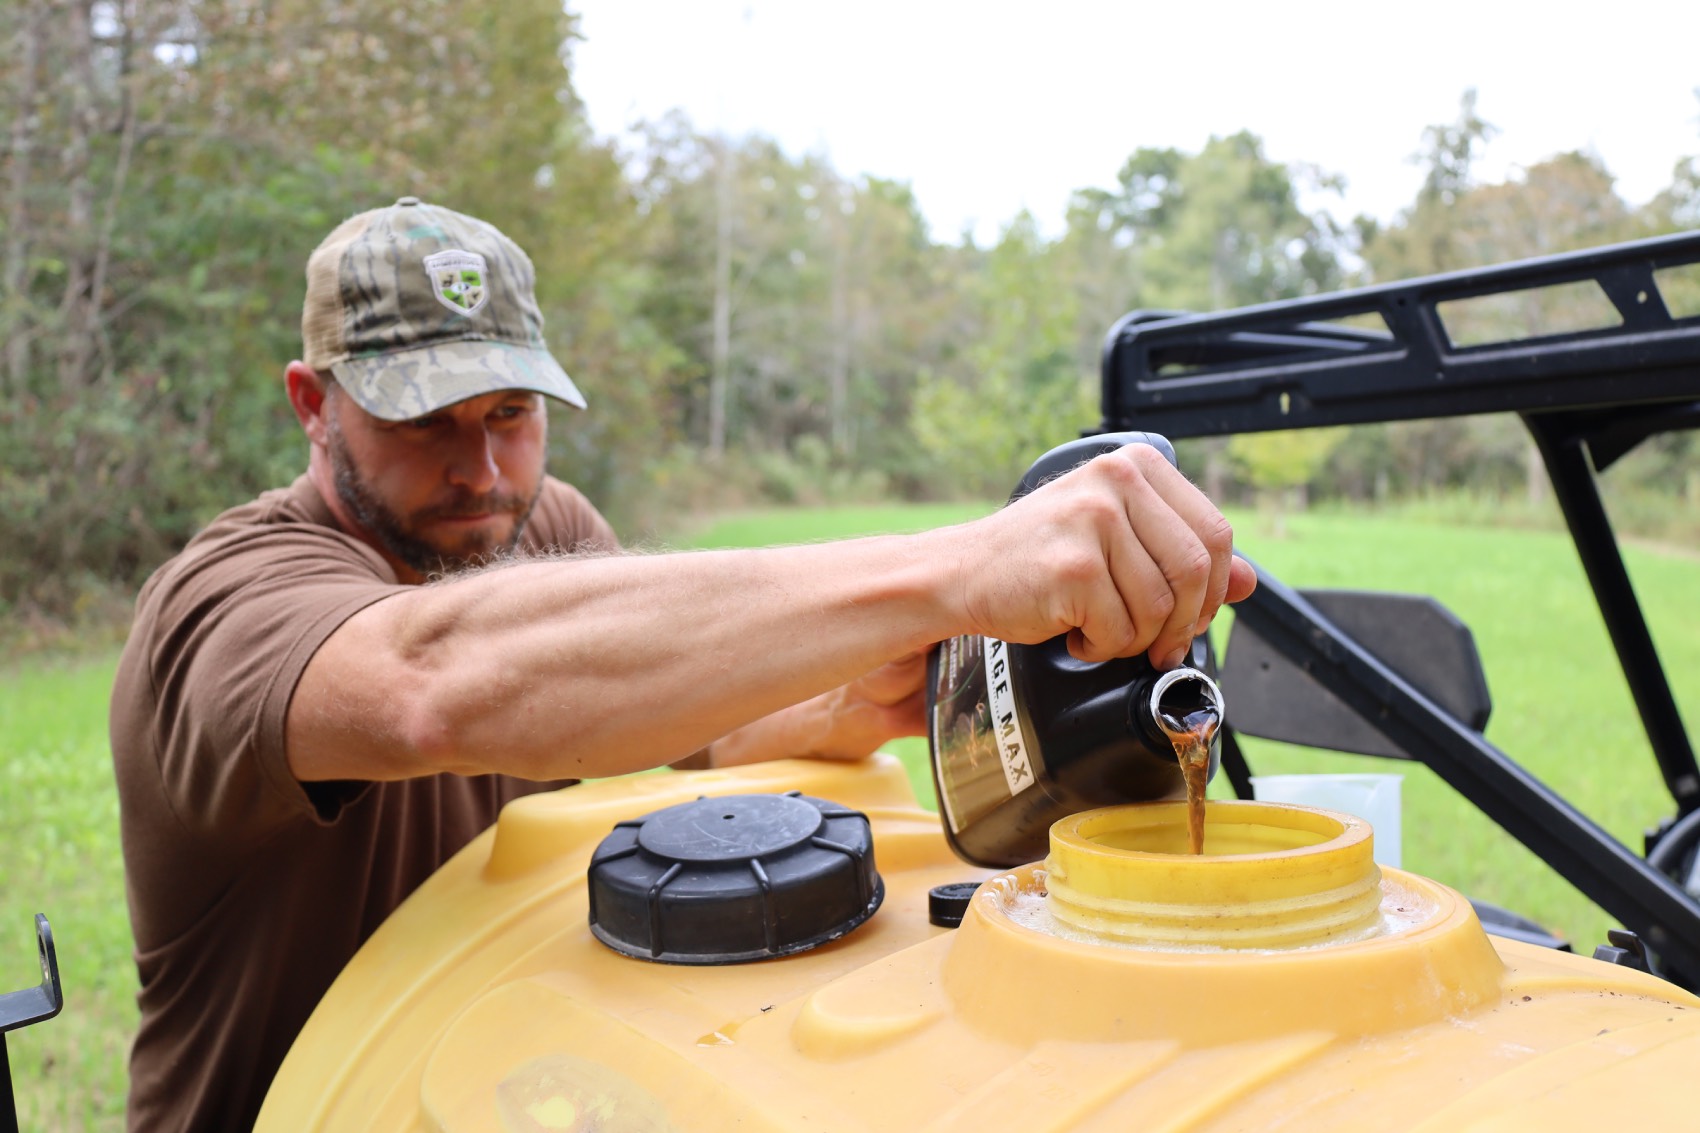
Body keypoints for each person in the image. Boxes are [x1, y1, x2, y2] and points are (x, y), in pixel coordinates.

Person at [109, 197, 1256, 1132]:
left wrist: (855, 695)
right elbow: (430, 683)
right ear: (314, 405)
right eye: (427, 422)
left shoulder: (540, 526)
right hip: (306, 1102)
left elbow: (663, 728)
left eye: (512, 412)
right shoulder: (222, 606)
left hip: (487, 1078)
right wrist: (955, 568)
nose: (484, 468)